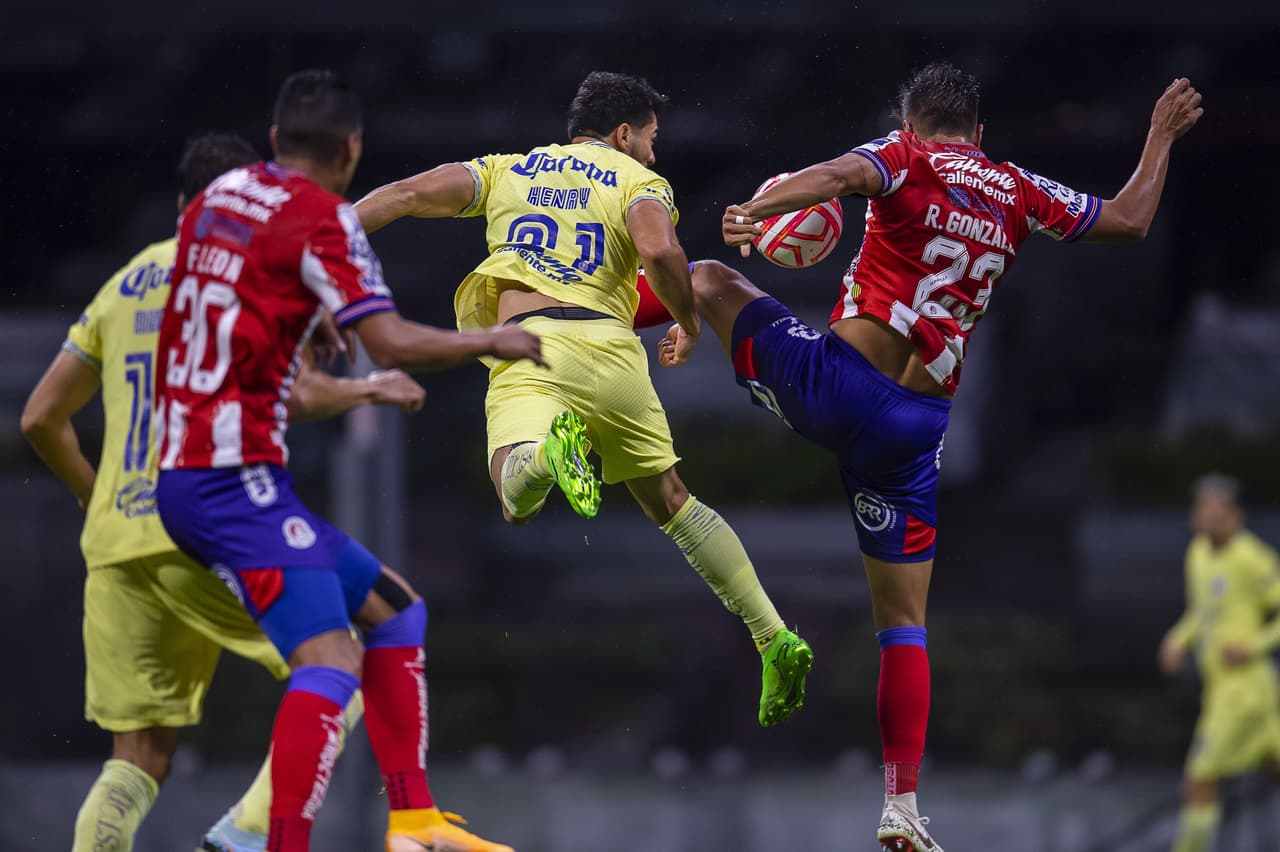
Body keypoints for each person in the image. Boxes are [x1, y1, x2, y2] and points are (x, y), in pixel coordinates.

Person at [650, 63, 1202, 851]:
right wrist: (1159, 134)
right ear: (979, 133)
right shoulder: (1015, 187)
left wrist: (756, 208)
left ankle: (581, 318)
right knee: (903, 625)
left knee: (702, 276)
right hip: (916, 427)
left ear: (910, 123)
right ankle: (902, 805)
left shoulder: (906, 156)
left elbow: (842, 175)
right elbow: (1129, 219)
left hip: (836, 386)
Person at [353, 70, 813, 729]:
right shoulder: (640, 182)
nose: (655, 153)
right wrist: (686, 323)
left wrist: (330, 236)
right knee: (674, 502)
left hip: (531, 347)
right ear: (624, 134)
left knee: (514, 496)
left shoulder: (507, 171)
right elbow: (659, 249)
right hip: (611, 349)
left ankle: (545, 455)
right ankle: (773, 635)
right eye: (651, 140)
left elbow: (403, 195)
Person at [153, 71, 541, 852]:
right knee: (329, 662)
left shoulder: (213, 205)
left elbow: (264, 357)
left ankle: (413, 820)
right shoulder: (323, 221)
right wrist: (490, 340)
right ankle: (281, 844)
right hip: (228, 486)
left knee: (396, 610)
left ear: (274, 141)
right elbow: (390, 339)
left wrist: (314, 332)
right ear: (353, 148)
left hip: (207, 471)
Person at [19, 132, 422, 852]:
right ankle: (242, 837)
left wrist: (93, 496)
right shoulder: (248, 276)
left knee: (135, 760)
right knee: (348, 664)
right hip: (209, 515)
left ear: (182, 205)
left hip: (116, 543)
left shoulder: (125, 282)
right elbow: (300, 388)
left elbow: (40, 418)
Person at [1158, 474, 1280, 852]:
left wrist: (1254, 645)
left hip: (1243, 689)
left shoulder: (1252, 558)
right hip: (1223, 689)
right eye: (1203, 508)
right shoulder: (1196, 553)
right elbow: (1202, 612)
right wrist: (1177, 640)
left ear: (1236, 515)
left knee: (1199, 779)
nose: (1210, 516)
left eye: (1219, 509)